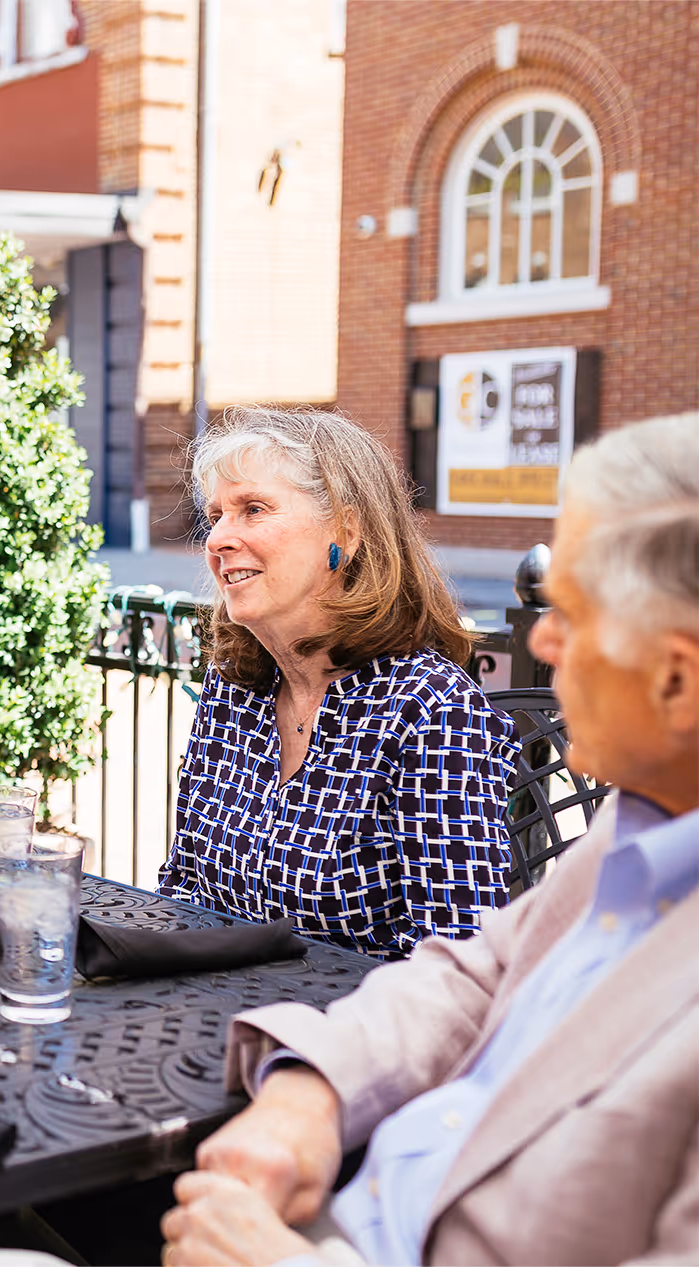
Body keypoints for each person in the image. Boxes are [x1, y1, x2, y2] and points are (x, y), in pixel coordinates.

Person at [159, 414, 699, 1266]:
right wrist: (311, 1085)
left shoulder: (427, 706)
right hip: (263, 1112)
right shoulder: (636, 836)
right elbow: (473, 970)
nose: (539, 642)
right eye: (214, 514)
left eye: (577, 610)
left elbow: (442, 938)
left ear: (677, 675)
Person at [159, 407, 516, 959]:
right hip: (217, 1024)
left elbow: (453, 961)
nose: (219, 538)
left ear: (345, 535)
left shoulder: (430, 709)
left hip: (350, 1035)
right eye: (216, 516)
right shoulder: (234, 688)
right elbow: (184, 890)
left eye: (253, 509)